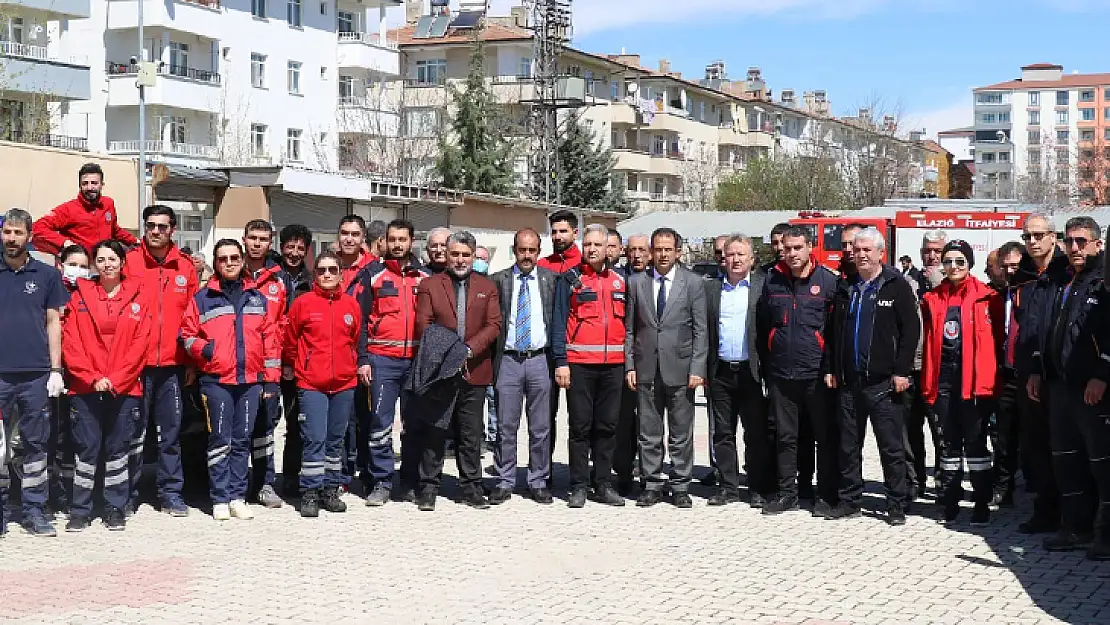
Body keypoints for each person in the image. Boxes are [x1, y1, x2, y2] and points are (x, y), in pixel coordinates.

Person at [1029, 216, 1110, 559]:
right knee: (1066, 462)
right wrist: (1037, 369)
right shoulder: (1061, 280)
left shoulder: (1103, 282)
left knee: (1102, 465)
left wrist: (1102, 375)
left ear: (1097, 244)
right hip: (1059, 386)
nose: (1075, 247)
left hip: (1093, 388)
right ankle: (1075, 528)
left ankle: (1105, 536)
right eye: (1070, 241)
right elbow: (1042, 329)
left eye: (1082, 241)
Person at [180, 239, 278, 521]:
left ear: (242, 260)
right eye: (222, 259)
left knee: (242, 441)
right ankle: (220, 497)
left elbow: (270, 340)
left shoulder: (257, 298)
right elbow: (186, 335)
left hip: (249, 382)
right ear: (216, 263)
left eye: (234, 257)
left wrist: (270, 381)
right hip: (216, 380)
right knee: (220, 440)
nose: (229, 263)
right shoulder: (202, 298)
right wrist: (206, 351)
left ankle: (237, 496)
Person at [827, 227, 918, 525]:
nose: (862, 255)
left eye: (868, 250)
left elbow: (911, 331)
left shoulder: (896, 285)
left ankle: (896, 503)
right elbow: (833, 332)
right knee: (848, 445)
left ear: (881, 252)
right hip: (850, 382)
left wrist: (902, 371)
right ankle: (850, 499)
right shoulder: (846, 287)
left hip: (883, 383)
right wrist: (831, 368)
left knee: (890, 446)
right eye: (857, 250)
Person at [61, 240, 150, 532]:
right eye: (101, 259)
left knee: (117, 451)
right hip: (86, 388)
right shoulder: (80, 297)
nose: (107, 264)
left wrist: (116, 379)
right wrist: (91, 377)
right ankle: (80, 510)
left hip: (123, 388)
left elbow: (141, 345)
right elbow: (70, 343)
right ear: (94, 265)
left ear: (122, 263)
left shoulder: (139, 296)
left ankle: (115, 507)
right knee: (86, 452)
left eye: (113, 258)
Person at [410, 231, 502, 511]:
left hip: (474, 370)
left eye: (466, 254)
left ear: (474, 257)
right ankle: (428, 487)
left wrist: (468, 351)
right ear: (446, 255)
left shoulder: (488, 286)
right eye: (455, 254)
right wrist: (451, 355)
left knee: (470, 433)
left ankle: (471, 486)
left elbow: (494, 325)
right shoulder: (430, 285)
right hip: (440, 371)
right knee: (434, 431)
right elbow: (423, 325)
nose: (460, 259)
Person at [756, 226, 839, 515]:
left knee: (823, 437)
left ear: (810, 247)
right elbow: (764, 326)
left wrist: (830, 368)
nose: (791, 253)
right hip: (781, 374)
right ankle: (787, 493)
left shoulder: (828, 282)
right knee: (785, 437)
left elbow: (834, 333)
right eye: (787, 248)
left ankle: (825, 495)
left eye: (797, 248)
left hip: (816, 374)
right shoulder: (772, 281)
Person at [625, 227, 708, 508]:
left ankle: (681, 484)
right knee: (649, 431)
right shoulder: (637, 282)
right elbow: (629, 330)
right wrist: (629, 366)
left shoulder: (693, 283)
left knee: (681, 431)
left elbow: (700, 330)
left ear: (678, 252)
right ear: (651, 251)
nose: (662, 255)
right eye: (657, 249)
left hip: (681, 369)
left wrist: (698, 368)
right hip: (646, 367)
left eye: (667, 249)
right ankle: (651, 484)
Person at [124, 205, 198, 517]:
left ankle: (170, 493)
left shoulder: (185, 268)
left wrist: (192, 361)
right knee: (132, 433)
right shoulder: (128, 262)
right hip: (135, 366)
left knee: (170, 434)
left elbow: (193, 319)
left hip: (172, 366)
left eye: (163, 226)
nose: (156, 231)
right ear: (144, 228)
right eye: (151, 225)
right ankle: (126, 495)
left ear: (172, 230)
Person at [0, 209, 69, 537]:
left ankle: (34, 511)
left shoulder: (46, 275)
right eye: (6, 232)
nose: (11, 238)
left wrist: (56, 369)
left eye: (17, 233)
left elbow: (54, 321)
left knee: (35, 445)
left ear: (29, 237)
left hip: (35, 375)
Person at [921, 240, 1000, 526]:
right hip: (943, 382)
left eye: (959, 261)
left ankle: (981, 502)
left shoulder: (986, 297)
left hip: (974, 384)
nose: (953, 267)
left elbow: (998, 342)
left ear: (969, 264)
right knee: (948, 446)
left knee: (976, 445)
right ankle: (949, 500)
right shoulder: (932, 299)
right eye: (948, 261)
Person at [552, 224, 628, 508]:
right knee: (580, 427)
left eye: (598, 245)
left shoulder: (620, 282)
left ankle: (603, 484)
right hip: (580, 366)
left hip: (613, 367)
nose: (592, 250)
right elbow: (559, 323)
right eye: (588, 245)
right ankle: (578, 486)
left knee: (607, 427)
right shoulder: (570, 280)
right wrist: (562, 362)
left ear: (609, 249)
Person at [356, 219, 431, 506]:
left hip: (415, 362)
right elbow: (361, 322)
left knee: (414, 425)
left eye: (403, 239)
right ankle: (381, 482)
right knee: (379, 423)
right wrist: (363, 359)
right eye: (392, 239)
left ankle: (409, 481)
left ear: (412, 241)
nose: (397, 244)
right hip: (382, 362)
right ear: (384, 242)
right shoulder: (372, 275)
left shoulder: (424, 277)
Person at [283, 251, 362, 518]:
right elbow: (291, 341)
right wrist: (296, 369)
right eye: (321, 270)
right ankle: (310, 492)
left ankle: (330, 489)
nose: (327, 275)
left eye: (332, 270)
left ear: (341, 273)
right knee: (314, 439)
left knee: (335, 441)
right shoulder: (303, 303)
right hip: (311, 383)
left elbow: (355, 340)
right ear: (314, 274)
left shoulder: (351, 305)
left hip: (343, 383)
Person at [489, 228, 556, 504]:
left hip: (540, 359)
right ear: (514, 251)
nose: (526, 255)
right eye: (522, 250)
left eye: (532, 250)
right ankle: (505, 480)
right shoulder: (498, 281)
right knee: (505, 425)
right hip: (508, 360)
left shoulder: (551, 280)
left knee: (540, 426)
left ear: (539, 252)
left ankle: (538, 480)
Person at [706, 234, 772, 507]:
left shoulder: (762, 287)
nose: (734, 259)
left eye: (741, 255)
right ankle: (728, 486)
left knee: (755, 433)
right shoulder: (711, 289)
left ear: (752, 259)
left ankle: (756, 487)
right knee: (722, 432)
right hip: (720, 371)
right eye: (730, 255)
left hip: (752, 371)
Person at [1009, 214, 1065, 534]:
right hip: (1028, 373)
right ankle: (1044, 511)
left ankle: (1068, 514)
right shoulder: (1025, 275)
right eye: (1027, 236)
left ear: (1052, 237)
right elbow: (1024, 325)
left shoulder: (1064, 272)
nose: (1032, 241)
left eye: (1038, 235)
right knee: (1035, 445)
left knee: (1062, 445)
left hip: (1056, 375)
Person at [239, 220, 287, 508]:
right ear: (244, 239)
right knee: (236, 430)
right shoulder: (231, 272)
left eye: (263, 239)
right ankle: (237, 485)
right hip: (235, 367)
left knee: (264, 430)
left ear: (271, 243)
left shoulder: (280, 281)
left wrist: (276, 371)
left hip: (268, 368)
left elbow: (287, 324)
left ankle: (265, 483)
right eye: (252, 238)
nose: (257, 243)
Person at [335, 215, 374, 489]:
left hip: (368, 354)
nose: (349, 238)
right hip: (337, 354)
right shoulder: (328, 265)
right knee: (343, 418)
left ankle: (369, 470)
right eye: (345, 233)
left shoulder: (373, 269)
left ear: (363, 238)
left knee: (368, 416)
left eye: (355, 234)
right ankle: (343, 473)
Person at [51, 244, 90, 511]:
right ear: (60, 264)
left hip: (81, 372)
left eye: (83, 265)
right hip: (54, 370)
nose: (78, 270)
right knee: (54, 433)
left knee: (75, 435)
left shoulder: (89, 293)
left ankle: (72, 493)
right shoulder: (53, 290)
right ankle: (53, 494)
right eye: (72, 264)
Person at [276, 224, 314, 495]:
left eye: (300, 248)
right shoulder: (270, 276)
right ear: (281, 247)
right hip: (267, 359)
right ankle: (262, 479)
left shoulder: (311, 282)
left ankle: (291, 474)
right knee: (262, 422)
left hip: (297, 361)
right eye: (290, 246)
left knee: (295, 420)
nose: (295, 252)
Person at [31, 163, 138, 257]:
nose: (90, 187)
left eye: (94, 183)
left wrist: (135, 241)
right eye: (85, 183)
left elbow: (114, 229)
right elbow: (38, 227)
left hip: (103, 265)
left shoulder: (108, 204)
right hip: (80, 267)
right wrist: (65, 243)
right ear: (80, 186)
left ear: (102, 185)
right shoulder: (68, 209)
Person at [989, 240, 1025, 508]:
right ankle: (1003, 487)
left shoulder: (1033, 290)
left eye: (1016, 265)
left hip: (1033, 373)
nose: (1011, 271)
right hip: (1006, 374)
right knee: (1004, 438)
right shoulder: (996, 296)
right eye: (1006, 266)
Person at [614, 233, 650, 494]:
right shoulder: (619, 278)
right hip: (623, 361)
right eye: (632, 249)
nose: (636, 254)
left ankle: (652, 474)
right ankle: (624, 473)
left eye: (642, 249)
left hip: (653, 359)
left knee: (651, 422)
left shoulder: (658, 279)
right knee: (623, 421)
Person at [473, 245, 496, 451]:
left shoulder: (493, 285)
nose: (480, 262)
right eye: (477, 257)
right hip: (472, 354)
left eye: (483, 259)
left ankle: (493, 437)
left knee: (493, 399)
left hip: (491, 354)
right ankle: (477, 437)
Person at [539, 210, 582, 274]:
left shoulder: (585, 265)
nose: (557, 237)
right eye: (554, 232)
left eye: (563, 231)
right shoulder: (541, 265)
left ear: (575, 233)